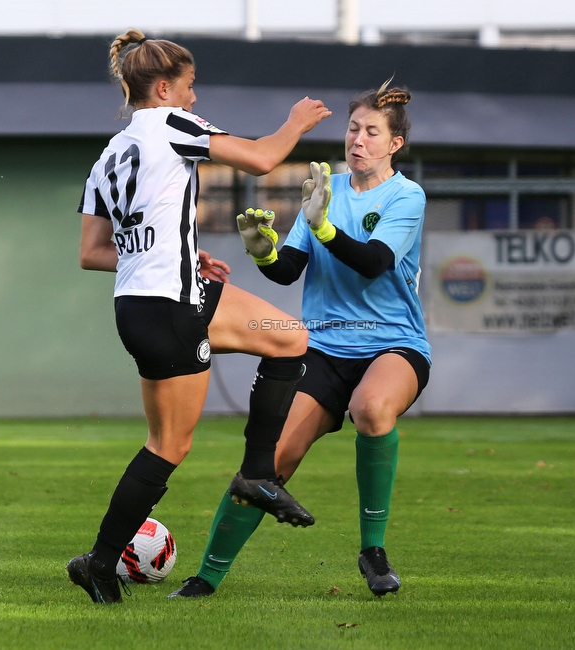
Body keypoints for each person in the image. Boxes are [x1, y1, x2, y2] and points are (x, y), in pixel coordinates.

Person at [67, 29, 332, 604]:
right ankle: (100, 562)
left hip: (147, 301)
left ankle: (258, 475)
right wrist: (297, 122)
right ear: (163, 88)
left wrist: (174, 253)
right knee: (168, 445)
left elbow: (91, 253)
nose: (193, 98)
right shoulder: (173, 124)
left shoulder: (108, 155)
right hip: (173, 308)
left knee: (289, 338)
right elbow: (263, 157)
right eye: (189, 88)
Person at [170, 80, 430, 599]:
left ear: (394, 144)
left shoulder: (407, 196)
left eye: (371, 132)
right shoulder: (323, 186)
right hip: (326, 349)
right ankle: (207, 577)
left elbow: (376, 263)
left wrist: (326, 227)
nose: (358, 139)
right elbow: (289, 271)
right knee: (269, 462)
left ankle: (372, 551)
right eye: (353, 128)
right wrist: (264, 250)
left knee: (372, 408)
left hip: (393, 345)